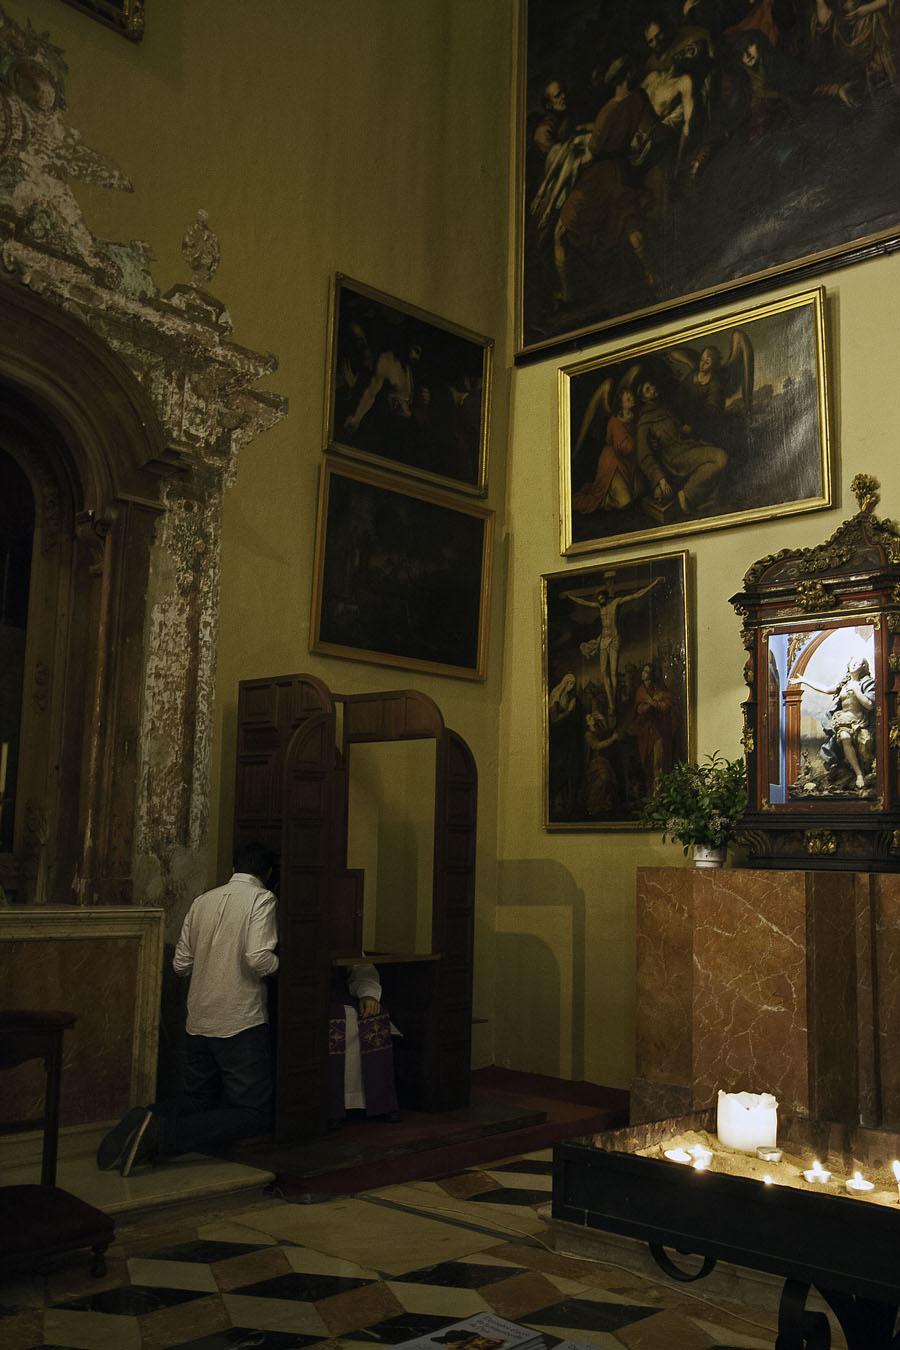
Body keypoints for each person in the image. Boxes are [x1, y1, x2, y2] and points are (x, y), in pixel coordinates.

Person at [96, 840, 279, 1177]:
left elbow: (180, 964)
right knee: (254, 1111)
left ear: (233, 867)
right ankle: (162, 1135)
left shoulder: (202, 901)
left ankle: (143, 1116)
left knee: (198, 1098)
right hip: (239, 1019)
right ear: (267, 873)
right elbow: (257, 958)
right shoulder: (262, 898)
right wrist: (281, 966)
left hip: (198, 1017)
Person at [562, 576, 665, 718]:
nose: (600, 601)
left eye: (601, 598)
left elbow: (636, 595)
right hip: (604, 640)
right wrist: (570, 596)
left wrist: (653, 583)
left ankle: (613, 704)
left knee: (612, 672)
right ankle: (611, 703)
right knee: (604, 672)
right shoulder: (599, 607)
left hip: (614, 640)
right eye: (598, 599)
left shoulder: (615, 603)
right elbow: (583, 602)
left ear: (606, 596)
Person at [635, 377, 727, 514]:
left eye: (651, 385)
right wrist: (660, 479)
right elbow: (644, 455)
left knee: (713, 465)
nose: (653, 389)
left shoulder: (664, 408)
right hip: (674, 458)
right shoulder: (644, 421)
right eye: (647, 390)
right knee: (721, 457)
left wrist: (685, 430)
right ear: (643, 399)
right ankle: (689, 494)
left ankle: (688, 495)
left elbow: (676, 430)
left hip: (686, 447)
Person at [328, 961, 401, 1126]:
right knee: (339, 1020)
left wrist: (368, 994)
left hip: (344, 995)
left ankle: (379, 1103)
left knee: (372, 1015)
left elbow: (362, 968)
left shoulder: (347, 943)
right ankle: (333, 1108)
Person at [792, 656, 876, 789]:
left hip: (860, 721)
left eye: (858, 662)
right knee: (845, 737)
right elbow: (826, 689)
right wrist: (804, 680)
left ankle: (866, 772)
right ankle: (859, 774)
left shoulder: (867, 683)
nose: (854, 664)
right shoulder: (843, 685)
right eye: (852, 662)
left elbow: (870, 705)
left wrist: (856, 690)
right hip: (843, 720)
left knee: (865, 743)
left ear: (864, 666)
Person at [634, 662, 676, 794]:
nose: (644, 674)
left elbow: (665, 706)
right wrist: (652, 702)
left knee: (658, 763)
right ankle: (650, 792)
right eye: (643, 671)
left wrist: (651, 702)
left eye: (647, 672)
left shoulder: (660, 690)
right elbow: (640, 710)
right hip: (645, 733)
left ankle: (658, 794)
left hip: (658, 731)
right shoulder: (641, 690)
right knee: (647, 763)